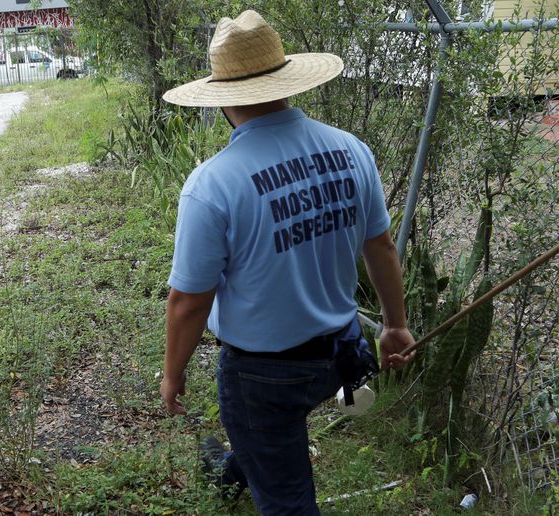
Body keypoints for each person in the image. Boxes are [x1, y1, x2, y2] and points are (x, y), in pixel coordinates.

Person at [158, 10, 415, 515]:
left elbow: (188, 302)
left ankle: (255, 465)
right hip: (340, 354)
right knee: (266, 441)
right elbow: (381, 247)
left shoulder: (213, 185)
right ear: (285, 81)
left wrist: (173, 374)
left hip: (263, 375)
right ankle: (236, 468)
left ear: (223, 99)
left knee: (286, 497)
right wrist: (395, 326)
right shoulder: (351, 150)